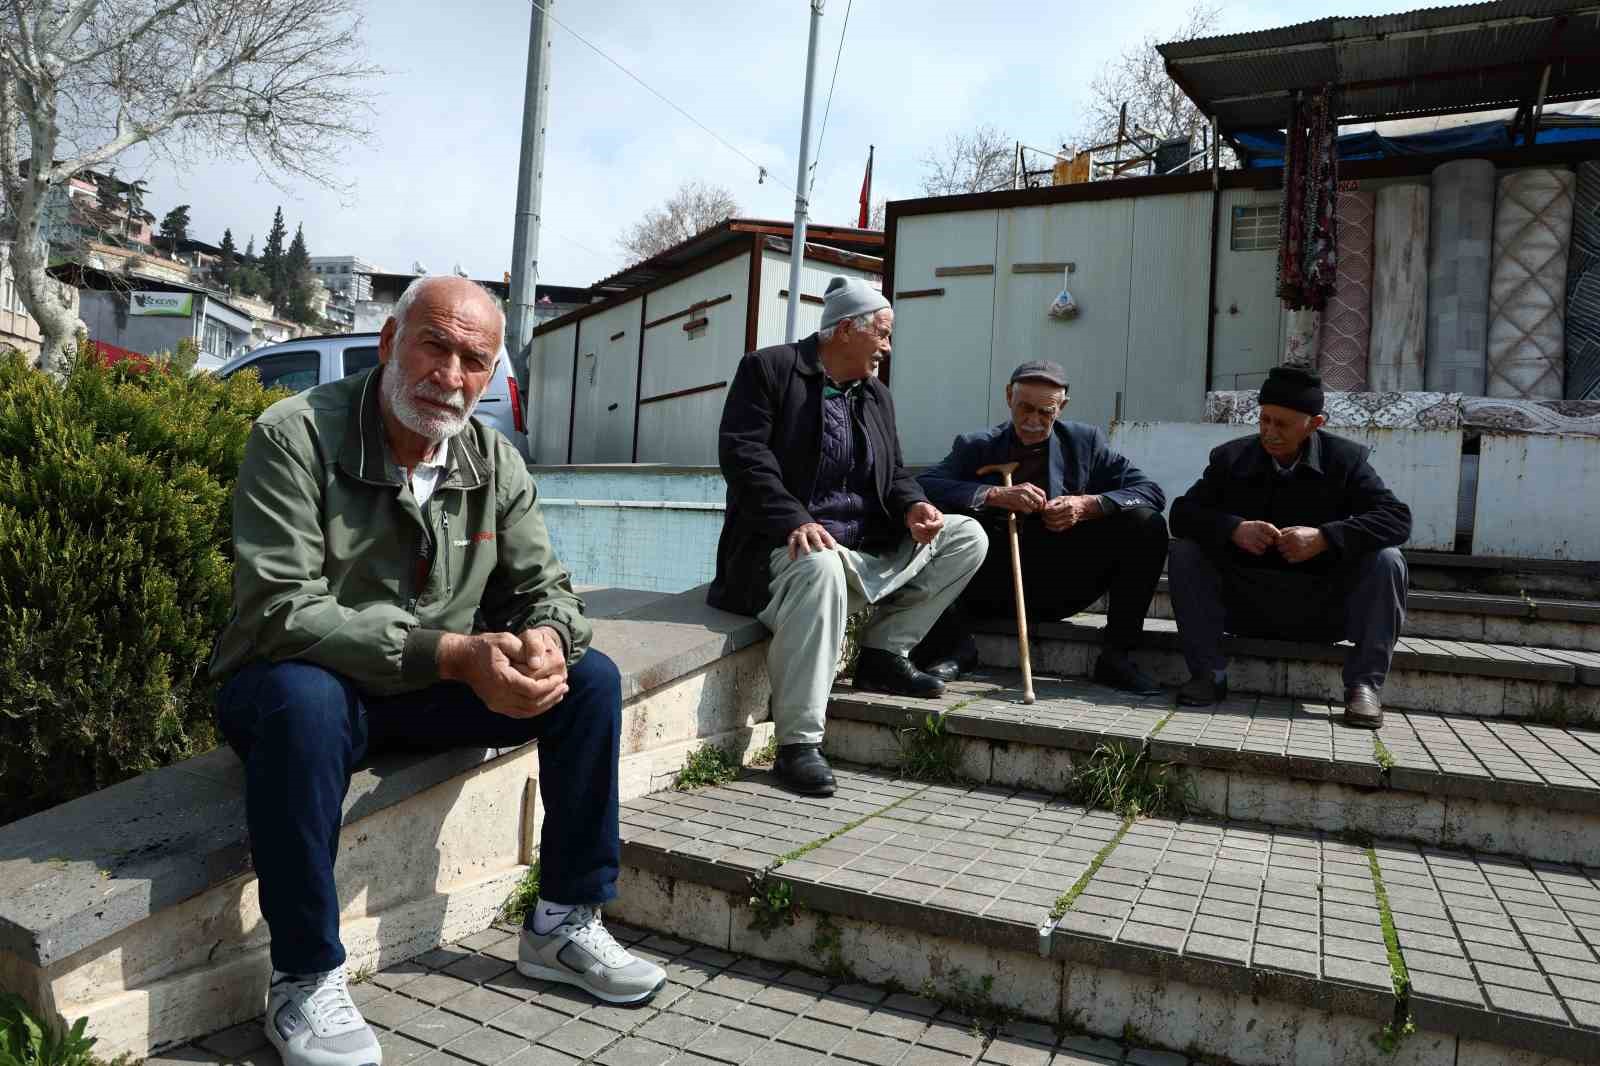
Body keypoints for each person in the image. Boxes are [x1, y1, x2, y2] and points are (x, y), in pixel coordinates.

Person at [210, 276, 665, 1066]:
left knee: (588, 681)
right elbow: (283, 612)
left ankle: (562, 921)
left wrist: (549, 639)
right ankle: (304, 978)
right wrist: (455, 654)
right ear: (390, 342)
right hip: (301, 683)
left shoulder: (493, 459)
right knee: (303, 705)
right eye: (435, 345)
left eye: (474, 361)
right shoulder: (294, 436)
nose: (450, 376)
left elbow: (547, 589)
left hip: (424, 687)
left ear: (491, 377)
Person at [709, 276, 987, 798]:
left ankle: (884, 653)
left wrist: (915, 506)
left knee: (965, 535)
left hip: (859, 548)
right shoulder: (768, 371)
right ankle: (798, 744)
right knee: (819, 563)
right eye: (882, 333)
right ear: (844, 331)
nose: (888, 346)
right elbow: (746, 460)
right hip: (783, 550)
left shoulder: (876, 395)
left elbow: (896, 472)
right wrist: (795, 519)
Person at [1168, 365, 1411, 728]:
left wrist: (1325, 538)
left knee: (1388, 560)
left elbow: (1397, 519)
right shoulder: (1230, 459)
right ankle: (1207, 675)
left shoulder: (1346, 461)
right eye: (1264, 420)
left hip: (1323, 607)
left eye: (1282, 424)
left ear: (1314, 423)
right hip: (1246, 603)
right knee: (1185, 551)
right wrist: (1233, 529)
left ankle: (1364, 686)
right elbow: (1181, 514)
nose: (1269, 432)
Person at [915, 360, 1169, 694]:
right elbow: (925, 483)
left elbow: (1151, 492)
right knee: (932, 514)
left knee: (1146, 523)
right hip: (990, 583)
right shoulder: (976, 446)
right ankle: (955, 647)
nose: (1033, 422)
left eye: (1046, 412)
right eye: (1025, 409)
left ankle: (1117, 656)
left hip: (1063, 581)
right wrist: (992, 494)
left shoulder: (1085, 442)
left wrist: (1087, 505)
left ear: (1062, 407)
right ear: (1008, 397)